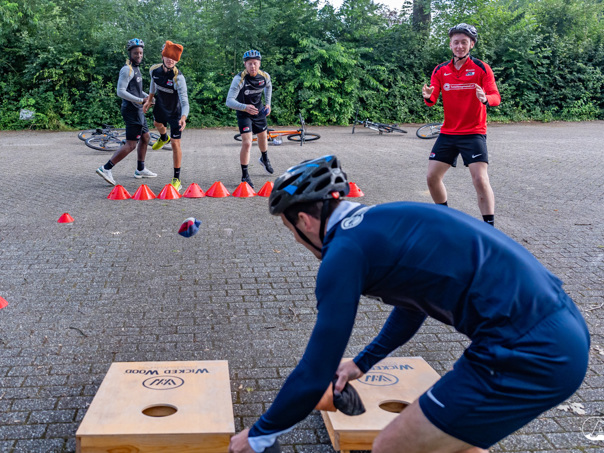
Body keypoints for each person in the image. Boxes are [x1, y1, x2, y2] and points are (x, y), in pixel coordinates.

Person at [228, 155, 590, 453]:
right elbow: (415, 304)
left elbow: (315, 370)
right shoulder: (379, 223)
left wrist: (259, 435)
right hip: (562, 331)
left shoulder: (343, 254)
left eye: (289, 230)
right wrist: (361, 363)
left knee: (392, 446)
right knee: (452, 444)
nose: (295, 239)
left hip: (525, 350)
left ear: (304, 221)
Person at [422, 24, 500, 226]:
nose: (459, 46)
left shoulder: (481, 68)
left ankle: (489, 228)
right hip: (448, 132)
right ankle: (445, 218)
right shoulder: (441, 70)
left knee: (480, 179)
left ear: (471, 44)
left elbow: (496, 97)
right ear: (450, 45)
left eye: (464, 42)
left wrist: (486, 99)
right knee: (432, 177)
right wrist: (428, 96)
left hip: (473, 132)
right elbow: (432, 100)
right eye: (455, 42)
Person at [96, 38, 157, 186]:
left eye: (141, 53)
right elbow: (120, 91)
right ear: (130, 53)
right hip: (131, 110)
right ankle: (106, 168)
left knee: (146, 137)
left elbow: (136, 90)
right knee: (131, 144)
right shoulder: (127, 69)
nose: (139, 55)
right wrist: (140, 100)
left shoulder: (136, 68)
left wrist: (149, 98)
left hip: (138, 109)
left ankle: (140, 169)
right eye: (136, 53)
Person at [143, 40, 189, 192]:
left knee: (175, 144)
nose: (171, 60)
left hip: (175, 112)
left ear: (177, 60)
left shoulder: (178, 78)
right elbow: (153, 84)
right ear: (162, 56)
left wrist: (183, 117)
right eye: (168, 57)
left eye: (174, 58)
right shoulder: (153, 70)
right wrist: (149, 100)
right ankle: (163, 138)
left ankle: (176, 178)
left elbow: (185, 101)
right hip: (161, 107)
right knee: (157, 124)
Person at [226, 49, 273, 189]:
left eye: (255, 63)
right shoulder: (239, 79)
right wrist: (244, 107)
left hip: (258, 111)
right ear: (245, 65)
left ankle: (264, 158)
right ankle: (245, 175)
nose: (253, 66)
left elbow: (268, 87)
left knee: (263, 137)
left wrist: (268, 103)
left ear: (259, 64)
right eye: (249, 63)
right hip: (244, 112)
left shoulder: (264, 76)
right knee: (247, 143)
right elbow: (229, 101)